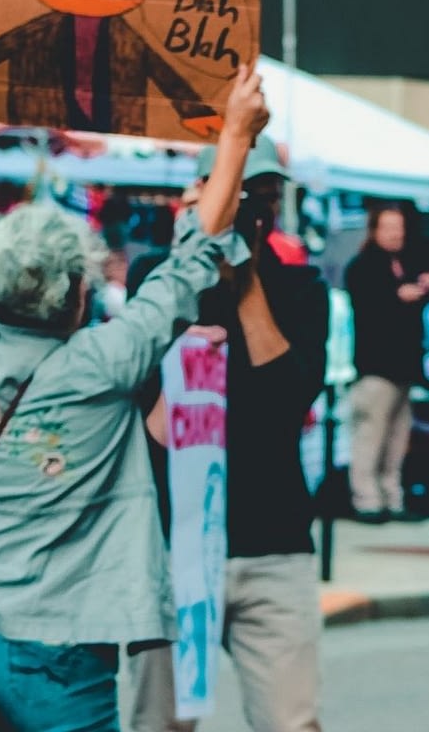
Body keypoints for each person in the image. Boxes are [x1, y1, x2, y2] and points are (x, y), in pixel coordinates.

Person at [0, 40, 267, 732]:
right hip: (63, 652)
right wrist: (234, 136)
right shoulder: (107, 362)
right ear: (78, 295)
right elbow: (194, 258)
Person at [130, 132, 329, 732]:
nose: (255, 213)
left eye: (265, 197)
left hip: (273, 545)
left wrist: (244, 274)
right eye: (239, 196)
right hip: (175, 545)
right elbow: (146, 417)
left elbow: (290, 395)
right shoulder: (154, 278)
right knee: (160, 724)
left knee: (291, 723)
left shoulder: (302, 289)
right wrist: (191, 257)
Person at [344, 205, 429, 523]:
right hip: (376, 367)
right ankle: (366, 499)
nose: (396, 234)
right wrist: (398, 296)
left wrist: (423, 287)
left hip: (404, 366)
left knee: (397, 439)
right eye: (389, 228)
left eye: (399, 228)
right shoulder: (363, 267)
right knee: (370, 434)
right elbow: (370, 307)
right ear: (375, 231)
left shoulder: (407, 263)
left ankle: (391, 496)